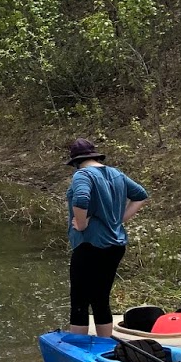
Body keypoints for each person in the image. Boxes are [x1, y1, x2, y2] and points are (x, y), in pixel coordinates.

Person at [64, 138, 149, 335]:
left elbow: (81, 198)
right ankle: (104, 345)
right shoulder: (116, 173)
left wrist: (82, 223)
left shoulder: (82, 175)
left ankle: (79, 349)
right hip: (115, 245)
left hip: (89, 243)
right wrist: (119, 220)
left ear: (76, 161)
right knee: (100, 297)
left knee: (79, 299)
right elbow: (141, 195)